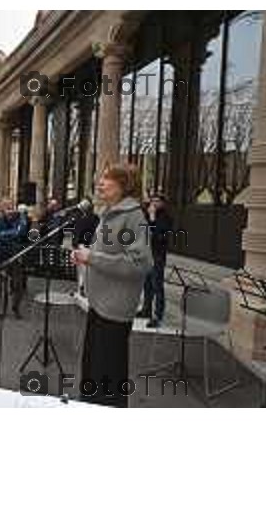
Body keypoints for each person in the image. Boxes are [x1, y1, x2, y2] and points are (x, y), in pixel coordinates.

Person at [71, 164, 152, 408]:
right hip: (99, 304)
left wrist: (91, 258)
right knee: (93, 370)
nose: (100, 184)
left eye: (106, 179)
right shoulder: (111, 213)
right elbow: (107, 251)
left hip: (114, 310)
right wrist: (86, 254)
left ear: (123, 185)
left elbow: (140, 263)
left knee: (107, 376)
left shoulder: (133, 216)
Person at [138, 193, 174, 328]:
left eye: (157, 201)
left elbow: (158, 236)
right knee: (146, 284)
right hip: (146, 254)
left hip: (158, 255)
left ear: (163, 203)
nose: (154, 203)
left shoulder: (166, 218)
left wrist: (152, 218)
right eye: (152, 201)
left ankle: (158, 315)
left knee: (157, 285)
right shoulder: (146, 216)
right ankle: (146, 310)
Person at [0, 199, 30, 318]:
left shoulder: (21, 217)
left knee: (18, 285)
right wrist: (14, 234)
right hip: (3, 256)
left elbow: (22, 232)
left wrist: (8, 234)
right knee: (3, 285)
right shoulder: (0, 219)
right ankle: (2, 309)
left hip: (16, 256)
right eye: (6, 208)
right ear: (2, 210)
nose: (9, 211)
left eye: (10, 207)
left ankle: (16, 308)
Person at [70, 197, 99, 297]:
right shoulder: (93, 218)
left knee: (83, 270)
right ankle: (81, 289)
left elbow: (78, 232)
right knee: (82, 270)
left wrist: (76, 244)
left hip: (84, 245)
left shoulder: (87, 218)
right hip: (85, 245)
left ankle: (83, 289)